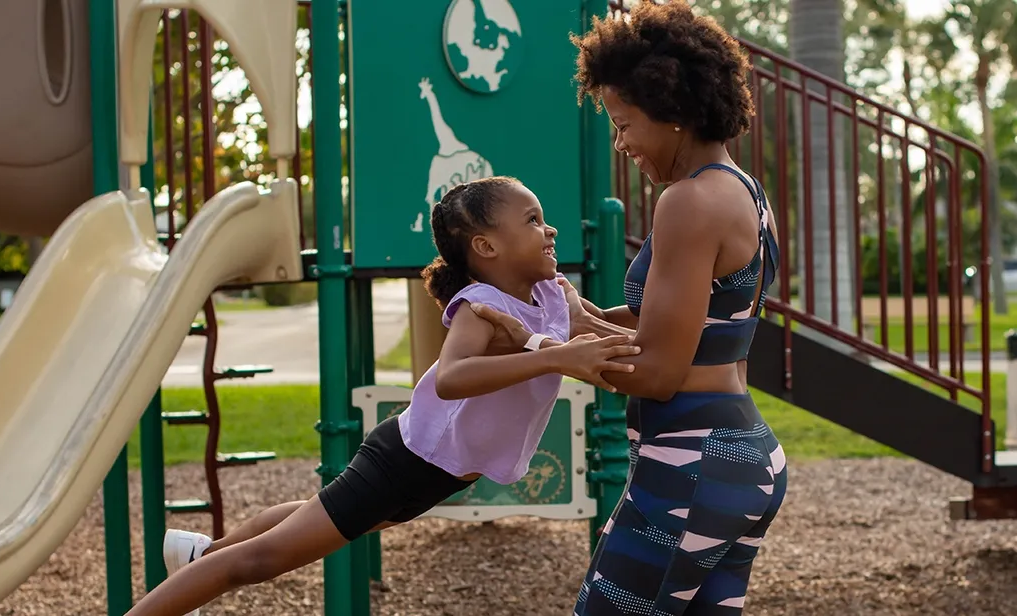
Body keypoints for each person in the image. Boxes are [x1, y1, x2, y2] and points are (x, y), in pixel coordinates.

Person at [125, 176, 642, 616]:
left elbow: (600, 327)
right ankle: (188, 576)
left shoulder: (550, 293)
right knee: (257, 564)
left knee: (313, 514)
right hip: (404, 463)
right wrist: (555, 357)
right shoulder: (478, 307)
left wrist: (679, 310)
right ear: (487, 247)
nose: (549, 229)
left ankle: (203, 552)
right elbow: (452, 377)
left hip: (437, 476)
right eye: (533, 220)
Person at [471, 3, 789, 614]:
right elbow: (691, 329)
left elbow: (659, 373)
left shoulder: (688, 202)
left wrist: (539, 351)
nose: (622, 143)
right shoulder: (742, 190)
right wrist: (575, 315)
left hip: (691, 462)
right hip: (734, 454)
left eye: (624, 123)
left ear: (671, 111)